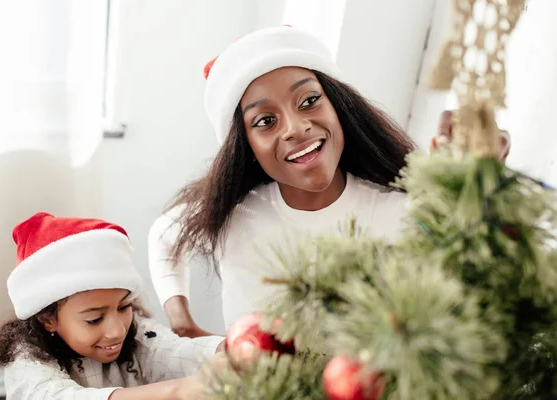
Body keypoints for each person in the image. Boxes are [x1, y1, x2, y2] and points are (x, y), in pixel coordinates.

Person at [147, 25, 512, 338]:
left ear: (339, 106)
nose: (296, 127)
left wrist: (471, 179)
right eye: (264, 121)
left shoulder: (397, 209)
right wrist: (182, 322)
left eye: (308, 101)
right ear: (246, 147)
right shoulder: (230, 216)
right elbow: (163, 234)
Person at [0, 212, 224, 400]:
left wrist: (230, 348)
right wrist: (177, 391)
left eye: (124, 306)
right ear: (48, 319)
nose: (117, 330)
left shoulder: (136, 334)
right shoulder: (26, 361)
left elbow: (172, 351)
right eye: (95, 319)